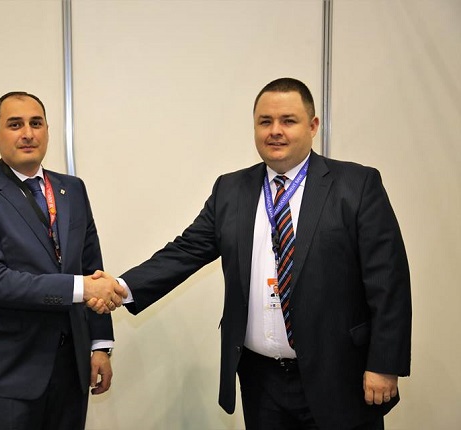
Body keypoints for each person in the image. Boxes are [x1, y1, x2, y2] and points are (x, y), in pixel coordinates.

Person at [98, 78, 412, 429]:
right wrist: (121, 287)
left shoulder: (356, 185)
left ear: (312, 126)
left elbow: (388, 282)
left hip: (339, 375)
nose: (275, 131)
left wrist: (384, 363)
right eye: (265, 121)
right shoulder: (231, 189)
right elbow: (186, 250)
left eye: (288, 121)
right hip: (261, 381)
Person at [0, 91, 126, 430]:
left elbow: (92, 266)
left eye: (36, 123)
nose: (28, 133)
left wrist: (100, 345)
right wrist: (81, 288)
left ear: (47, 131)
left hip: (72, 368)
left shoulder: (73, 189)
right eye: (15, 125)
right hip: (11, 372)